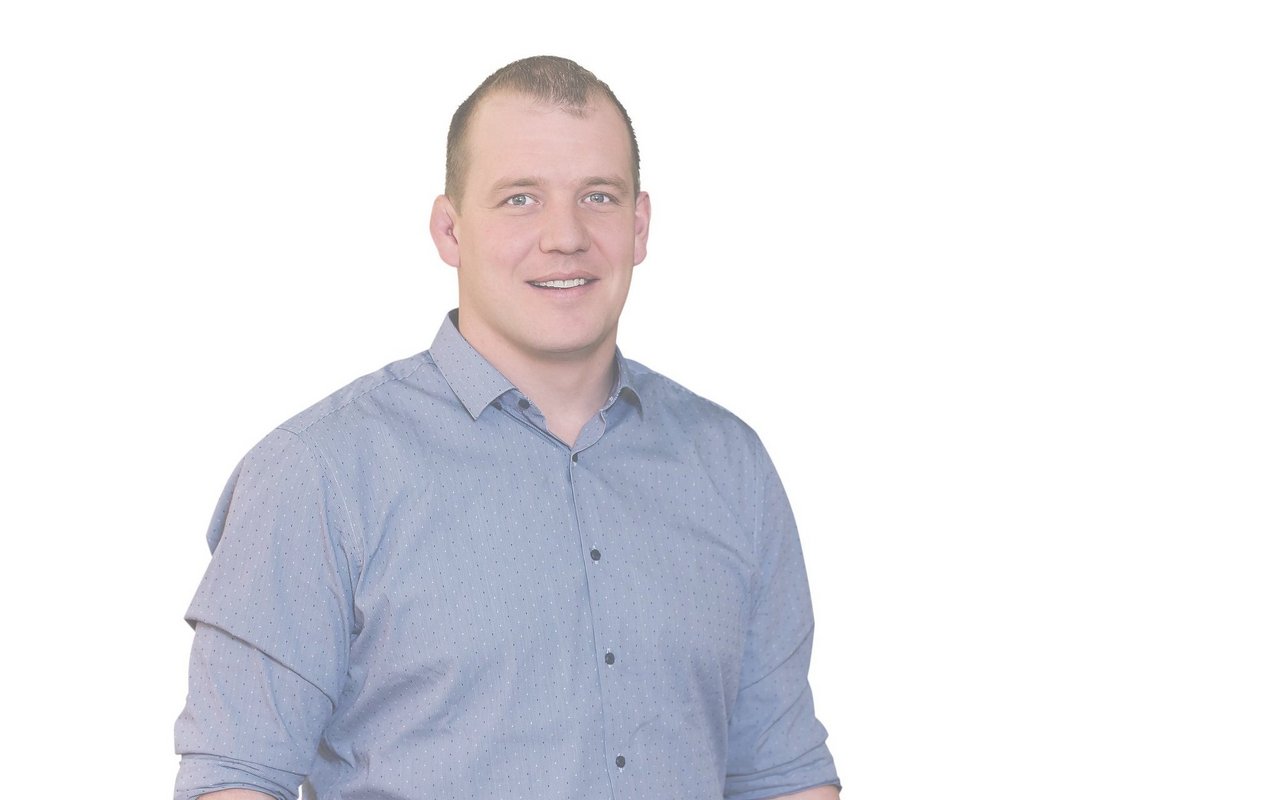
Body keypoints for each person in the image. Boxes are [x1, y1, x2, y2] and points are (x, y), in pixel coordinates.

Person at [175, 55, 840, 800]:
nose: (565, 235)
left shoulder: (730, 465)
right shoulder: (318, 474)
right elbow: (235, 776)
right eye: (520, 198)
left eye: (598, 196)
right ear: (450, 230)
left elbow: (782, 774)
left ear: (639, 226)